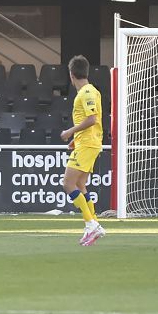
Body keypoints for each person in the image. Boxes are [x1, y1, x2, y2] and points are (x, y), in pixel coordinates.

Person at [59, 55, 106, 246]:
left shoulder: (86, 93)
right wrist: (76, 140)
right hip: (88, 143)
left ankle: (91, 224)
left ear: (71, 75)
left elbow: (91, 119)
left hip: (88, 144)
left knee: (68, 184)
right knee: (80, 184)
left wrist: (70, 132)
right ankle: (95, 224)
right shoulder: (93, 90)